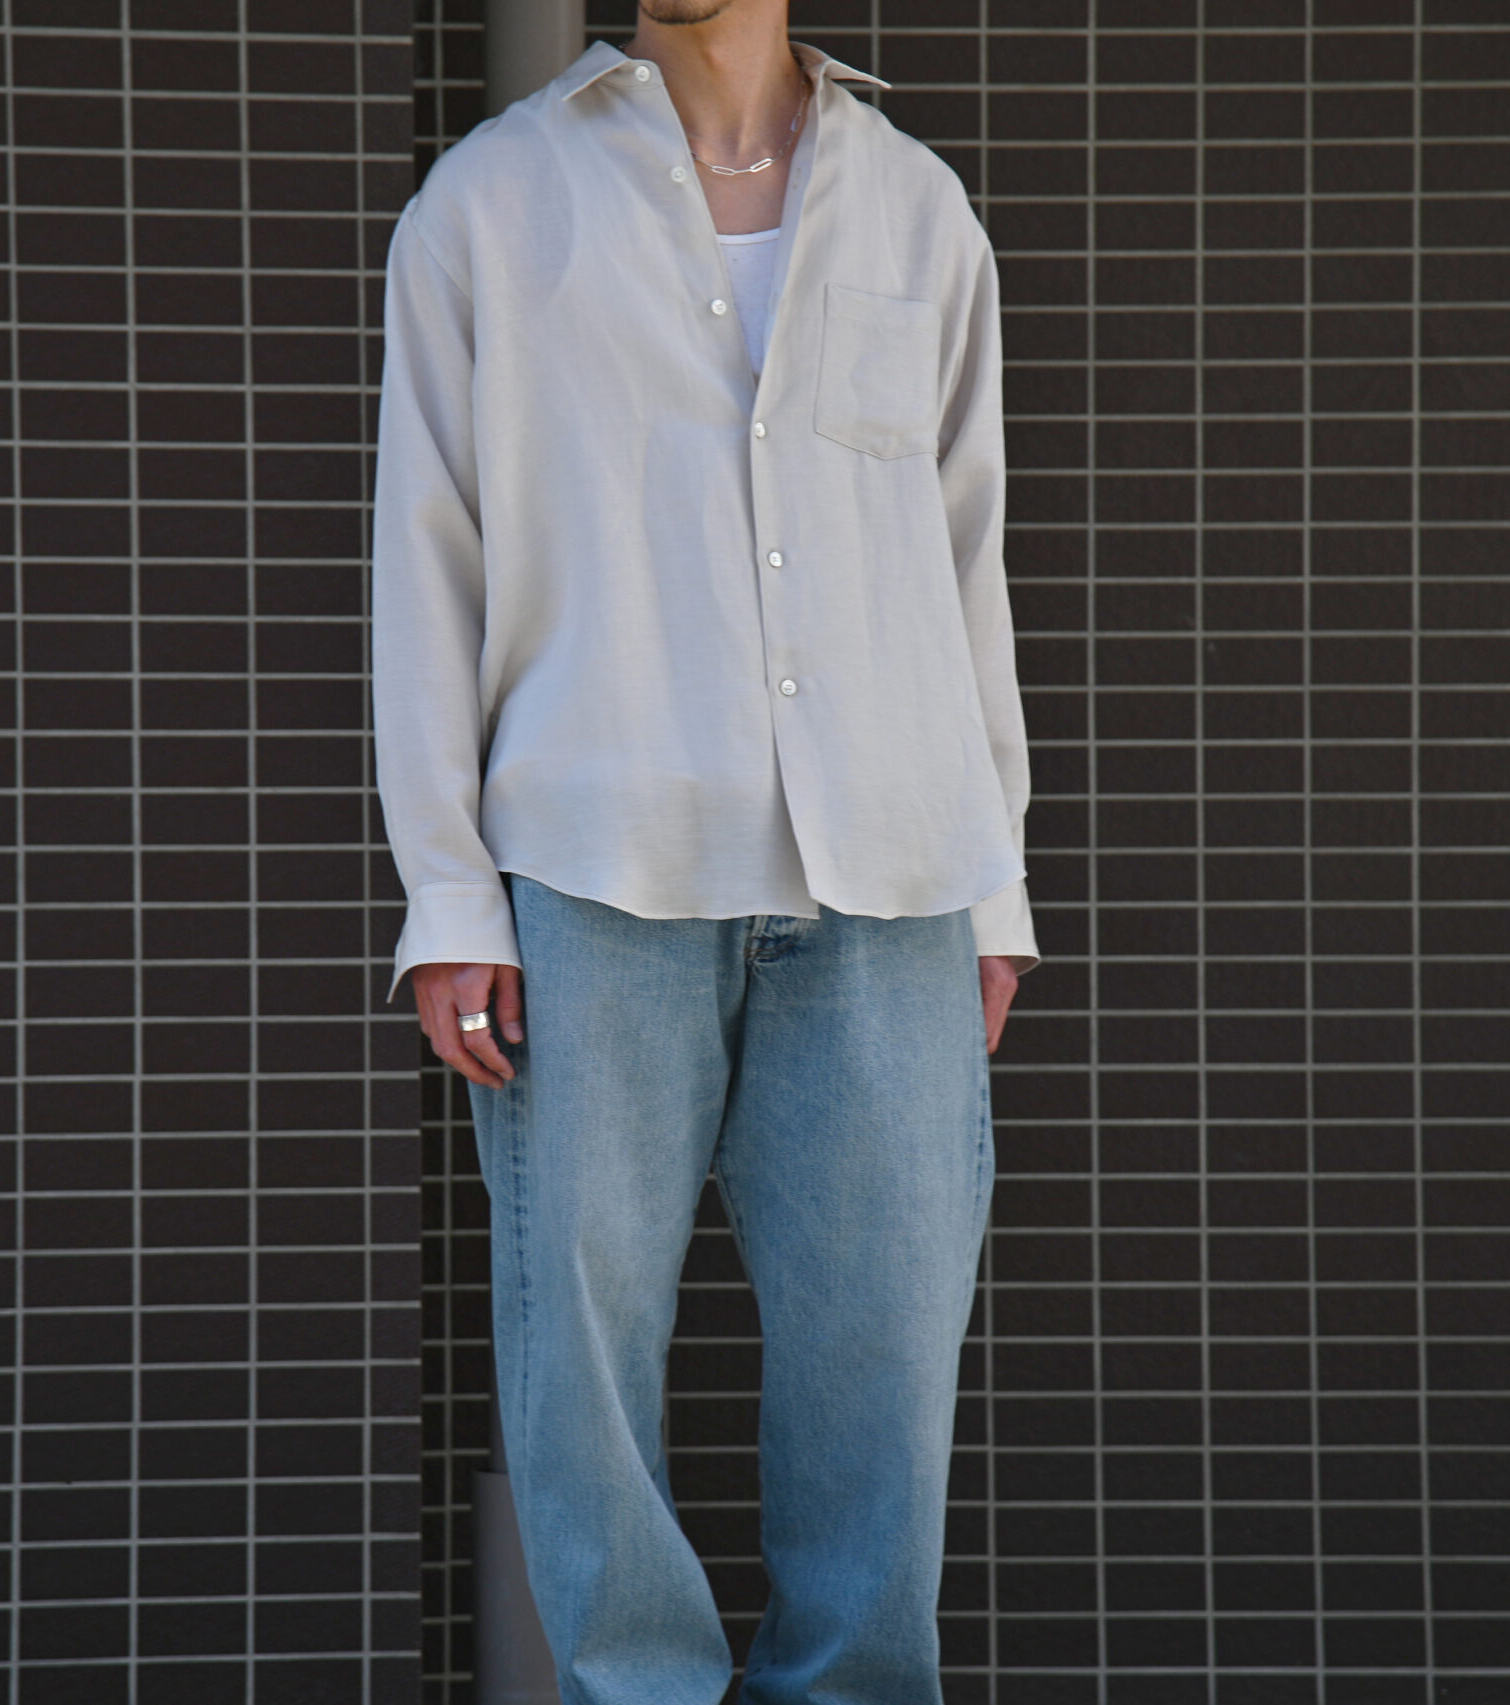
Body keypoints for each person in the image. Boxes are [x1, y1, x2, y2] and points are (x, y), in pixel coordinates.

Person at [372, 0, 1036, 1697]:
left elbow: (965, 557)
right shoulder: (488, 204)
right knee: (583, 1380)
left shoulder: (919, 208)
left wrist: (996, 887)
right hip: (595, 872)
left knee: (886, 1380)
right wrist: (451, 891)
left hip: (892, 882)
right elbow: (426, 558)